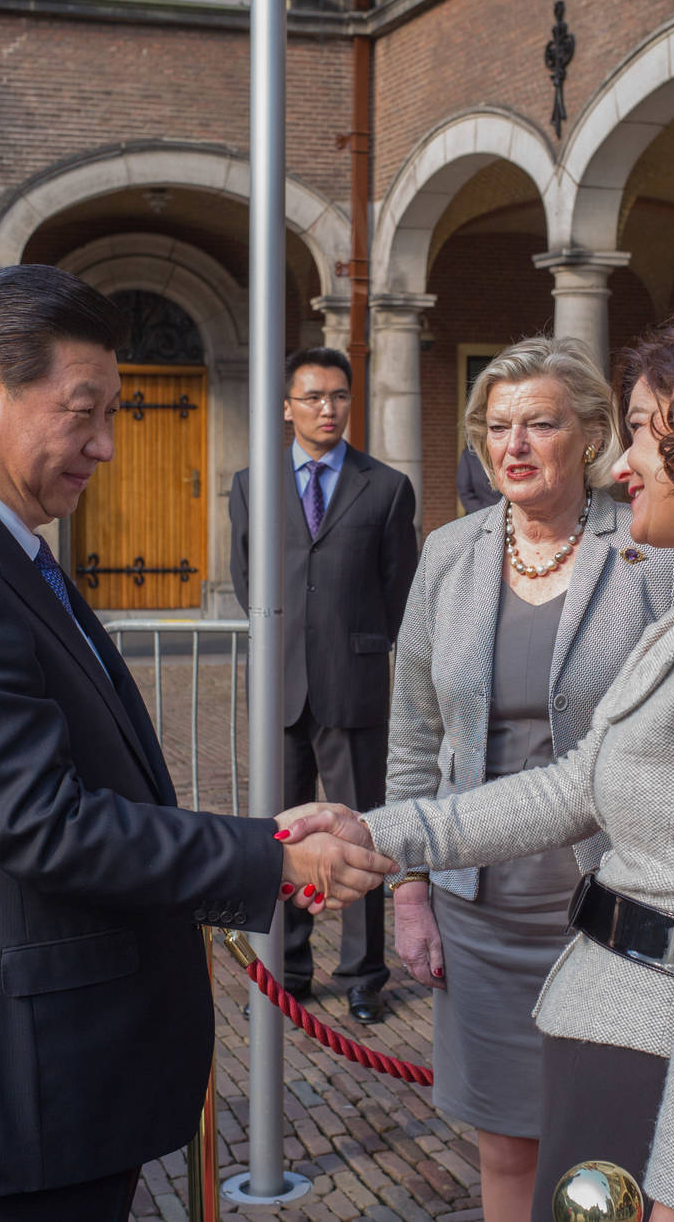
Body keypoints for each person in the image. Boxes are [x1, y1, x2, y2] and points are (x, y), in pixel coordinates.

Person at [0, 264, 391, 1221]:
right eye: (82, 411)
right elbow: (44, 823)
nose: (104, 444)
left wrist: (258, 835)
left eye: (115, 413)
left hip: (50, 1085)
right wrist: (268, 855)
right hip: (9, 1096)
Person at [300, 318, 674, 1222]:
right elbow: (573, 786)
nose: (621, 467)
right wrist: (379, 831)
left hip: (656, 1038)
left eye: (641, 433)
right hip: (611, 1015)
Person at [384, 336, 674, 1220]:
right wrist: (410, 891)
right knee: (506, 1145)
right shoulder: (448, 555)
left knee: (611, 1143)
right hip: (478, 911)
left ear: (591, 435)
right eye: (496, 425)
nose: (512, 444)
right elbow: (414, 735)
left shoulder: (649, 553)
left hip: (613, 907)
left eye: (539, 424)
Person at [226, 346, 419, 1023]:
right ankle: (290, 967)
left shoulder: (387, 487)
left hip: (354, 683)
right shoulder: (253, 483)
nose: (327, 408)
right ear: (287, 406)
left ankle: (365, 971)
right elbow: (248, 579)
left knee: (361, 832)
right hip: (279, 687)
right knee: (279, 838)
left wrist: (376, 651)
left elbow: (402, 593)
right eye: (313, 396)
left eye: (339, 395)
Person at [455, 444, 494, 515]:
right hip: (478, 514)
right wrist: (484, 514)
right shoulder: (469, 455)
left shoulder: (505, 451)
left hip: (507, 514)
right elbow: (464, 491)